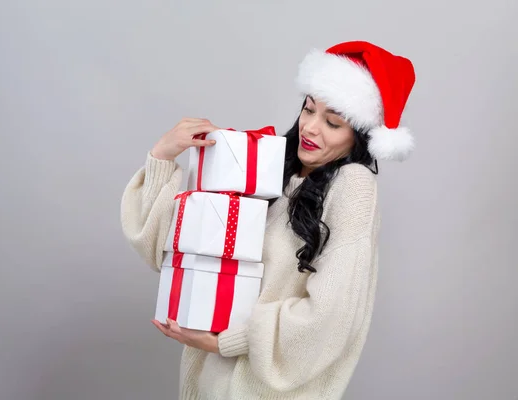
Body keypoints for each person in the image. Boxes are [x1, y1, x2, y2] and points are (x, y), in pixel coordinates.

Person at [120, 40, 416, 400]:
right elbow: (165, 249)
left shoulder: (352, 186)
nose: (310, 128)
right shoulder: (269, 167)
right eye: (309, 110)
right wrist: (163, 156)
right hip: (209, 383)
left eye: (333, 122)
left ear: (360, 136)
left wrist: (227, 341)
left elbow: (332, 318)